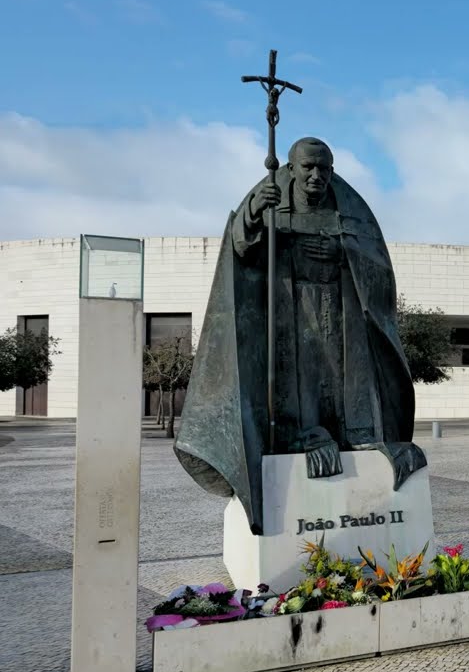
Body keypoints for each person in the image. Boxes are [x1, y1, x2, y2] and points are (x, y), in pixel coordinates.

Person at [175, 137, 426, 535]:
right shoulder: (270, 202)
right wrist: (254, 213)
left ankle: (357, 439)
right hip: (290, 315)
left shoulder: (350, 210)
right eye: (308, 167)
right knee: (300, 384)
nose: (316, 175)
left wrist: (343, 256)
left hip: (342, 316)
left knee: (344, 383)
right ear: (291, 169)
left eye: (324, 168)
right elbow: (241, 248)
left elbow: (378, 266)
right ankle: (301, 437)